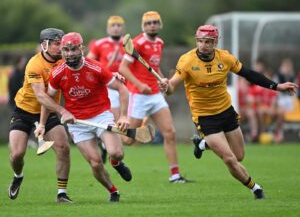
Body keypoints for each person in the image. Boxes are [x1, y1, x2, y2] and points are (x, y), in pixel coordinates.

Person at [159, 25, 298, 198]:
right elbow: (172, 85)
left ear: (215, 42)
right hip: (205, 117)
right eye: (200, 41)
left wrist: (276, 86)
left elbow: (249, 74)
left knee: (239, 156)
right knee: (230, 159)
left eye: (208, 42)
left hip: (226, 112)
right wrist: (166, 86)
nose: (203, 45)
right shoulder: (187, 61)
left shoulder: (224, 58)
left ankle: (203, 144)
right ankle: (256, 189)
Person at [35, 32, 132, 202]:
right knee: (95, 163)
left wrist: (123, 116)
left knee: (116, 153)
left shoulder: (96, 68)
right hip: (77, 123)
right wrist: (42, 124)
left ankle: (116, 163)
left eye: (73, 49)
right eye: (66, 49)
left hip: (101, 115)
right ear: (62, 51)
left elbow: (123, 89)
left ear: (82, 48)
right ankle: (113, 191)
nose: (70, 53)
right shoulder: (57, 73)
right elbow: (47, 100)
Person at [119, 11, 189, 183]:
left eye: (155, 22)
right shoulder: (137, 43)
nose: (152, 25)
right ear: (144, 25)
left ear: (160, 24)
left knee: (170, 133)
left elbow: (154, 67)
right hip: (138, 95)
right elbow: (123, 68)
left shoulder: (159, 43)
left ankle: (175, 175)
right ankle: (110, 135)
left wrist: (163, 78)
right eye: (149, 22)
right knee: (128, 140)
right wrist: (139, 84)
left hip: (156, 95)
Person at [8, 28, 72, 203]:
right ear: (45, 45)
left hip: (48, 112)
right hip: (24, 111)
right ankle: (18, 175)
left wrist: (112, 75)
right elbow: (41, 96)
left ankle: (61, 193)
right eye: (57, 44)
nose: (61, 48)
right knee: (17, 154)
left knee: (63, 147)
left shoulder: (65, 62)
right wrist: (63, 110)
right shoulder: (34, 64)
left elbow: (88, 66)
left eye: (63, 44)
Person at [87, 15, 126, 162]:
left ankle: (107, 147)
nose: (116, 28)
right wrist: (109, 64)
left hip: (126, 88)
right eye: (113, 25)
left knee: (124, 124)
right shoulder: (99, 44)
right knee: (116, 121)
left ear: (123, 28)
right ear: (108, 28)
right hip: (109, 88)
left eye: (119, 25)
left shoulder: (128, 44)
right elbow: (88, 66)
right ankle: (115, 155)